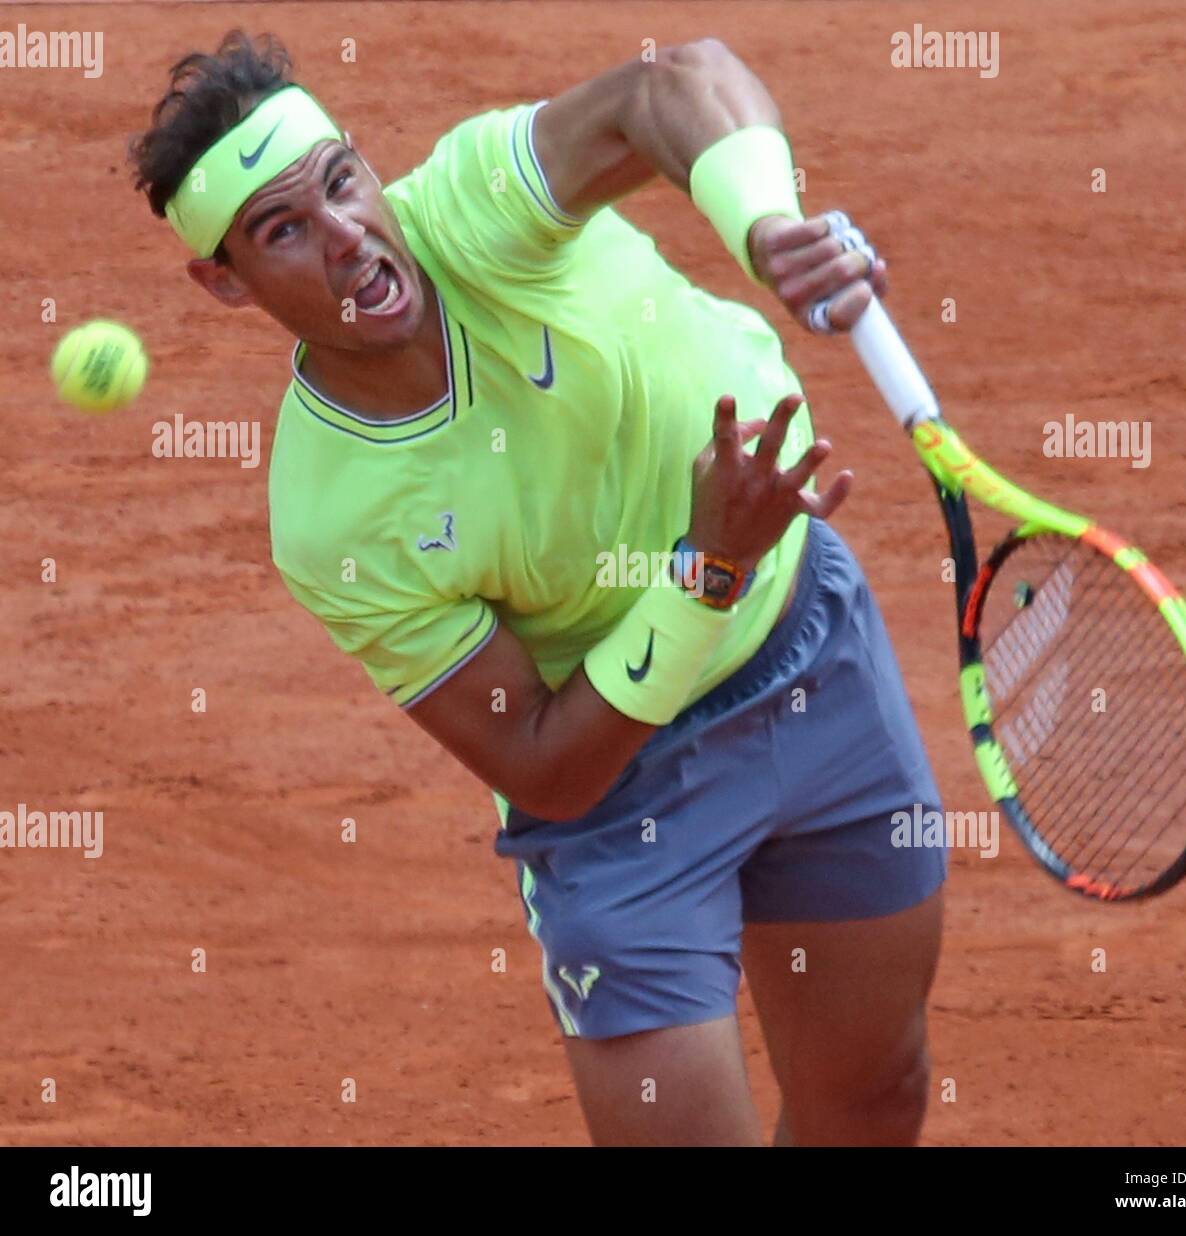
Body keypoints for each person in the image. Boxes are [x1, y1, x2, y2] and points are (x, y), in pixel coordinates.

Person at [129, 29, 946, 1147]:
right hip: (624, 798)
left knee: (874, 1099)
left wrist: (767, 226)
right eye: (284, 231)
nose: (348, 237)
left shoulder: (471, 209)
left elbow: (673, 84)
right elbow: (545, 767)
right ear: (223, 281)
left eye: (341, 183)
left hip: (812, 660)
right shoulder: (335, 522)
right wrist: (702, 571)